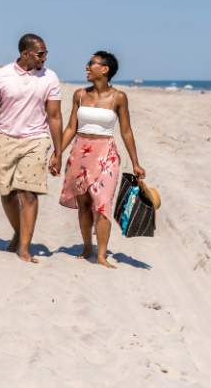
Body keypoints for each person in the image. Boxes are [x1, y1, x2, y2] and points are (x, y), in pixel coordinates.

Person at [0, 34, 63, 263]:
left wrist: (58, 152)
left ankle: (24, 247)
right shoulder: (1, 76)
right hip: (4, 140)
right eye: (40, 53)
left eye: (46, 53)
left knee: (28, 193)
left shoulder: (50, 77)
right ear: (25, 54)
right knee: (8, 194)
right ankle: (20, 232)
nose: (44, 57)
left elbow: (54, 116)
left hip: (36, 141)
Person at [59, 51, 145, 269]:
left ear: (105, 69)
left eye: (92, 64)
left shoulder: (118, 97)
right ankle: (88, 246)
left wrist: (135, 162)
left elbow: (126, 131)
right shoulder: (79, 95)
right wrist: (57, 152)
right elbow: (71, 127)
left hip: (106, 154)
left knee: (102, 203)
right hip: (80, 153)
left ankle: (102, 255)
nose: (87, 67)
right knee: (84, 204)